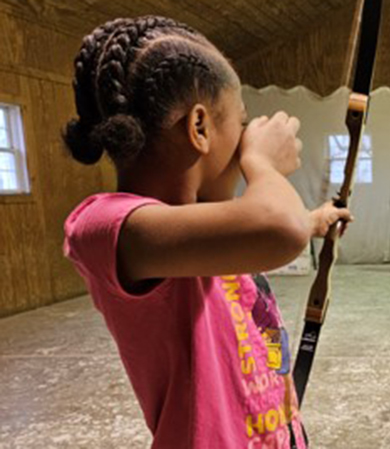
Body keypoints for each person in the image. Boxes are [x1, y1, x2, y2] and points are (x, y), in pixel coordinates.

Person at [61, 16, 351, 449]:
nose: (246, 139)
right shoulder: (107, 226)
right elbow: (278, 229)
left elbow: (268, 228)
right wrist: (264, 164)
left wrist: (315, 219)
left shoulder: (194, 231)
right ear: (199, 128)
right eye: (241, 121)